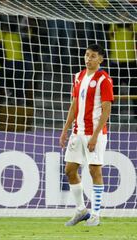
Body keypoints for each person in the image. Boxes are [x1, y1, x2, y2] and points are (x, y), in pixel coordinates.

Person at [59, 44, 114, 226]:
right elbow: (74, 105)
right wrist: (65, 129)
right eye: (87, 55)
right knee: (69, 170)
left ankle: (96, 215)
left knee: (94, 170)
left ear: (101, 59)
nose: (88, 59)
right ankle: (82, 210)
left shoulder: (104, 79)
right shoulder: (78, 76)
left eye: (92, 56)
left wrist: (95, 136)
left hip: (94, 133)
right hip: (77, 132)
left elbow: (106, 110)